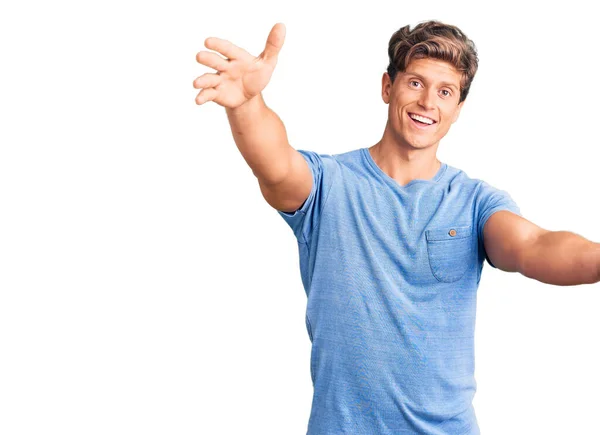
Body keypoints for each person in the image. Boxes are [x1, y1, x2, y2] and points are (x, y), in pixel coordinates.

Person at [193, 21, 600, 434]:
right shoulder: (329, 184)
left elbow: (533, 245)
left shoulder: (474, 202)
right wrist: (247, 104)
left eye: (445, 92)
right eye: (416, 83)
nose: (428, 102)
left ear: (458, 108)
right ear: (388, 87)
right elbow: (276, 165)